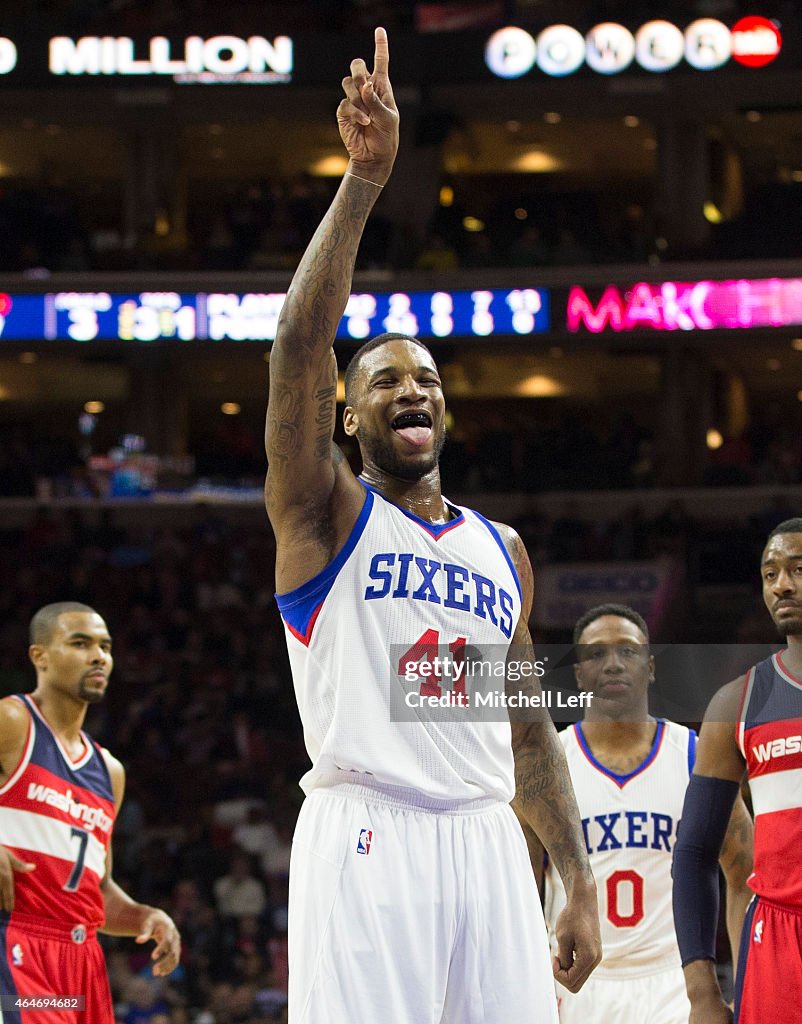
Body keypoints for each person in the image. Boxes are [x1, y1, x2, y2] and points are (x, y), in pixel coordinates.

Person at [264, 26, 601, 1024]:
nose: (411, 388)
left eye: (428, 379)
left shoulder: (504, 551)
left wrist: (572, 869)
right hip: (366, 830)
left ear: (444, 412)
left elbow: (528, 723)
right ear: (346, 416)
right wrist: (365, 181)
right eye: (384, 380)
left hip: (489, 842)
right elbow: (296, 343)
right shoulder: (323, 515)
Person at [524, 604, 753, 1023]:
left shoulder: (694, 755)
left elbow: (745, 876)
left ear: (650, 667)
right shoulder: (548, 765)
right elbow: (518, 888)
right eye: (595, 654)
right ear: (577, 673)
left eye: (627, 651)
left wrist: (745, 986)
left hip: (674, 982)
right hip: (573, 983)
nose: (613, 664)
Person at [0, 602, 181, 1023]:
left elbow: (96, 891)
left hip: (82, 961)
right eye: (80, 643)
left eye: (105, 646)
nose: (98, 656)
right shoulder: (13, 722)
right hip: (17, 941)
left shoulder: (109, 771)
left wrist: (146, 916)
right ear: (39, 656)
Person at [673, 517, 802, 1024]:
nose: (782, 584)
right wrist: (702, 992)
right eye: (770, 574)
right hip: (777, 941)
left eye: (797, 569)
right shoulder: (738, 702)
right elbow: (695, 853)